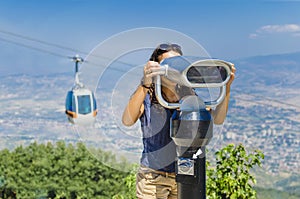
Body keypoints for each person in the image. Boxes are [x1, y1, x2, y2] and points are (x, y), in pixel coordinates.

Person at [122, 43, 236, 199]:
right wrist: (145, 82)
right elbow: (127, 120)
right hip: (153, 178)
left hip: (182, 175)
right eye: (167, 64)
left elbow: (218, 119)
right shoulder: (146, 96)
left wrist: (226, 87)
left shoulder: (188, 95)